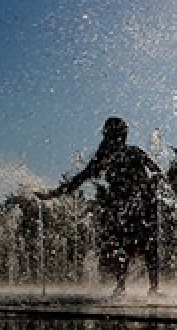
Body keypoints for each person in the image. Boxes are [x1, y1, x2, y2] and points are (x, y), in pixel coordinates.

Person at [36, 116, 164, 296]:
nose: (120, 137)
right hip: (124, 207)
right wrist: (53, 194)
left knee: (142, 244)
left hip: (140, 204)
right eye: (119, 133)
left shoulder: (134, 152)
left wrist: (152, 183)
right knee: (127, 243)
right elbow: (79, 178)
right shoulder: (104, 158)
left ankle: (147, 288)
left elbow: (158, 172)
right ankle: (127, 287)